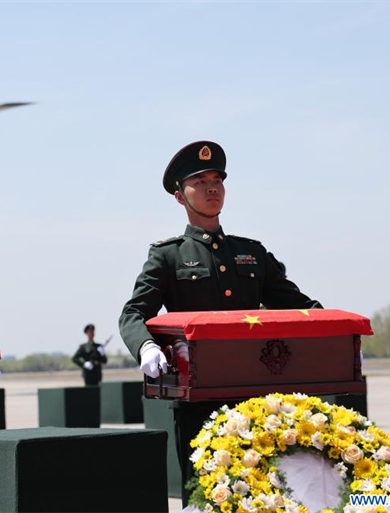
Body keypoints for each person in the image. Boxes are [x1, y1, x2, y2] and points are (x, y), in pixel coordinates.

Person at [118, 141, 322, 506]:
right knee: (207, 499)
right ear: (180, 196)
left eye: (217, 179)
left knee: (265, 497)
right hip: (200, 406)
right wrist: (145, 346)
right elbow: (133, 313)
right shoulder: (168, 255)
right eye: (200, 181)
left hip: (260, 402)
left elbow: (300, 306)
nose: (212, 187)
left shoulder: (252, 252)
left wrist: (337, 334)